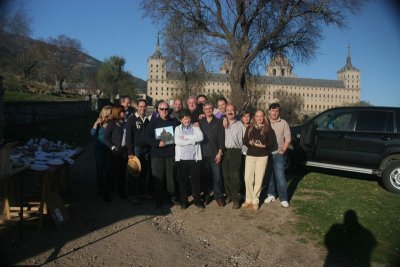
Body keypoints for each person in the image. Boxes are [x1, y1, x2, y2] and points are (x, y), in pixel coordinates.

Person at [145, 101, 178, 208]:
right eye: (162, 109)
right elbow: (147, 137)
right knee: (158, 179)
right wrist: (157, 143)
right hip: (157, 155)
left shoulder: (174, 121)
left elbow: (184, 128)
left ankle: (171, 198)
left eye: (166, 109)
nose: (164, 111)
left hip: (171, 154)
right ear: (158, 110)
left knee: (171, 179)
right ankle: (158, 199)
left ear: (169, 110)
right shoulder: (153, 122)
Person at [174, 109, 205, 209]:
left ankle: (197, 200)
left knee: (195, 180)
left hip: (194, 158)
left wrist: (186, 137)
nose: (187, 120)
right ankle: (184, 201)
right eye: (184, 119)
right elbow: (178, 141)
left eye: (188, 118)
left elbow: (200, 138)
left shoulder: (195, 126)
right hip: (182, 158)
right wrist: (192, 139)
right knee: (183, 181)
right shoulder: (178, 129)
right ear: (181, 120)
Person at [242, 109, 271, 210]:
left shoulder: (267, 128)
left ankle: (255, 200)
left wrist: (264, 146)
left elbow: (272, 143)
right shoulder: (250, 127)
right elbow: (244, 141)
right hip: (250, 155)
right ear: (254, 117)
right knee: (248, 178)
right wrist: (249, 143)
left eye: (261, 116)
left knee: (258, 179)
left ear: (264, 117)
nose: (259, 118)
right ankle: (248, 199)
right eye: (257, 116)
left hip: (262, 157)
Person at [264, 102, 291, 208]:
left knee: (280, 176)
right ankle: (271, 194)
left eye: (276, 111)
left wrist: (283, 150)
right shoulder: (265, 121)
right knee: (269, 176)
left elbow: (288, 138)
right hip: (266, 154)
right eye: (272, 110)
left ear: (279, 112)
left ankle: (284, 198)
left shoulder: (283, 123)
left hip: (278, 154)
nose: (274, 113)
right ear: (269, 111)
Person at [199, 102, 225, 207]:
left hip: (215, 154)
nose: (208, 110)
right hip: (203, 154)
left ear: (213, 109)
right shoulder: (200, 123)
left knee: (217, 176)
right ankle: (206, 196)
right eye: (206, 109)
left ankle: (218, 197)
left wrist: (220, 152)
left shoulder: (219, 122)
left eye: (210, 108)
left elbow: (221, 138)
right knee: (205, 177)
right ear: (203, 110)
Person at [126, 99, 151, 204]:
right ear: (137, 106)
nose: (143, 108)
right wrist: (130, 152)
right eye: (141, 106)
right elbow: (128, 137)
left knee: (144, 172)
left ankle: (141, 193)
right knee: (134, 172)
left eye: (144, 106)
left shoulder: (147, 119)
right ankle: (131, 194)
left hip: (146, 149)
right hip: (136, 149)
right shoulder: (131, 119)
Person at [222, 104, 246, 209]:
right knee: (226, 175)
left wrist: (243, 153)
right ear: (225, 112)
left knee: (235, 176)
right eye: (228, 110)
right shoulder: (222, 123)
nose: (230, 112)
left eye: (232, 110)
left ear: (235, 112)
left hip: (236, 152)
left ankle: (236, 200)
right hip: (224, 151)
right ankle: (229, 195)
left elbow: (246, 140)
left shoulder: (240, 125)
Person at [103, 106, 128, 202]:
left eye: (124, 112)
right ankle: (107, 193)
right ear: (117, 113)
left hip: (123, 151)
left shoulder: (125, 123)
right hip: (114, 152)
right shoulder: (112, 124)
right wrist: (112, 147)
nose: (124, 113)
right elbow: (105, 138)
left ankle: (121, 191)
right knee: (111, 173)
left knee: (122, 173)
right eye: (122, 112)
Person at [90, 105, 112, 196]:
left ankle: (107, 188)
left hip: (109, 149)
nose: (112, 114)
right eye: (111, 112)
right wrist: (95, 124)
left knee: (108, 169)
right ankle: (100, 189)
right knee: (100, 169)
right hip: (99, 149)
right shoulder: (99, 122)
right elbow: (92, 134)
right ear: (106, 113)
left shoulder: (112, 122)